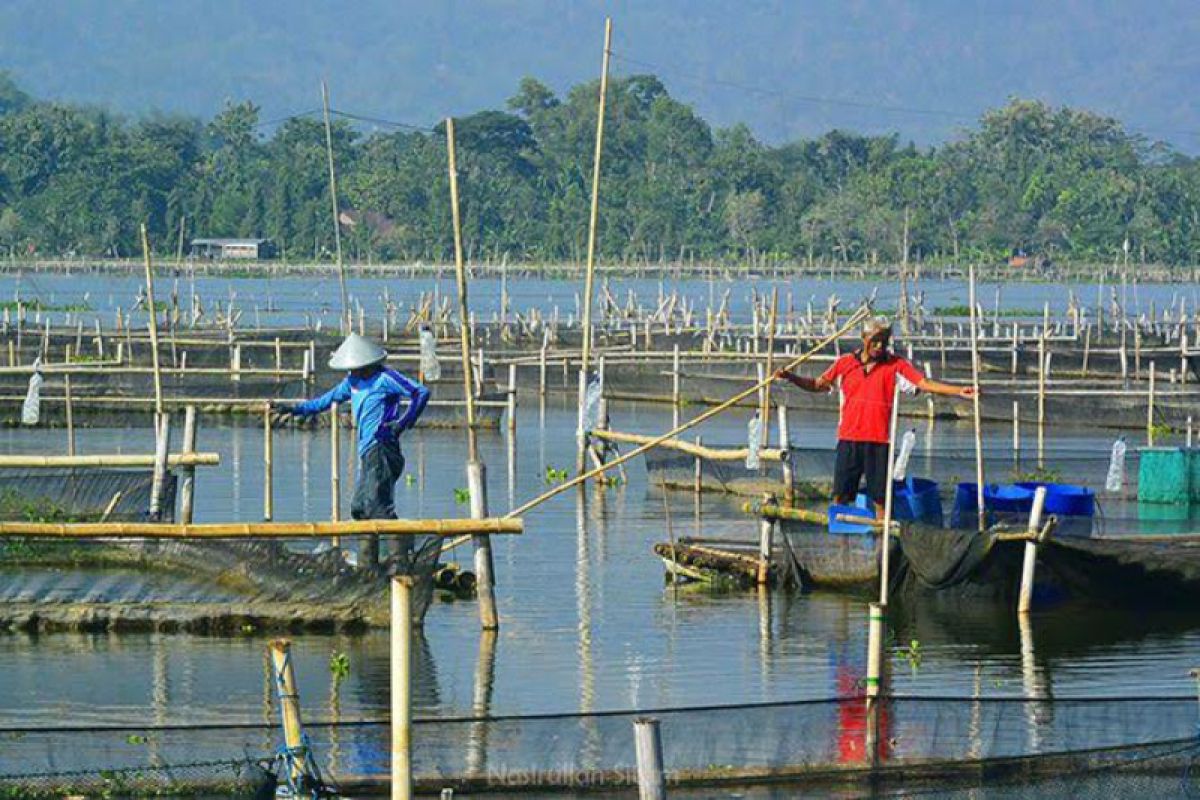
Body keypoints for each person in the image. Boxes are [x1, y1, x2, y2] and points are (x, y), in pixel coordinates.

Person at [774, 316, 975, 515]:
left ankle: (881, 540)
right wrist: (791, 377)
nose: (879, 346)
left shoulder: (896, 365)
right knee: (841, 495)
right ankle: (842, 542)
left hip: (879, 441)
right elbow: (818, 384)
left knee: (880, 498)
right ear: (864, 338)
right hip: (849, 439)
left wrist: (958, 391)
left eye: (884, 342)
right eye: (875, 341)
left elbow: (924, 383)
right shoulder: (845, 364)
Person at [274, 334, 430, 562]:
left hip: (383, 447)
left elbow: (420, 392)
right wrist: (293, 409)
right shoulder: (352, 383)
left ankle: (400, 560)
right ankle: (369, 564)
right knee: (360, 508)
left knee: (377, 507)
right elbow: (323, 402)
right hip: (367, 452)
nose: (353, 372)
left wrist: (402, 424)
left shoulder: (385, 378)